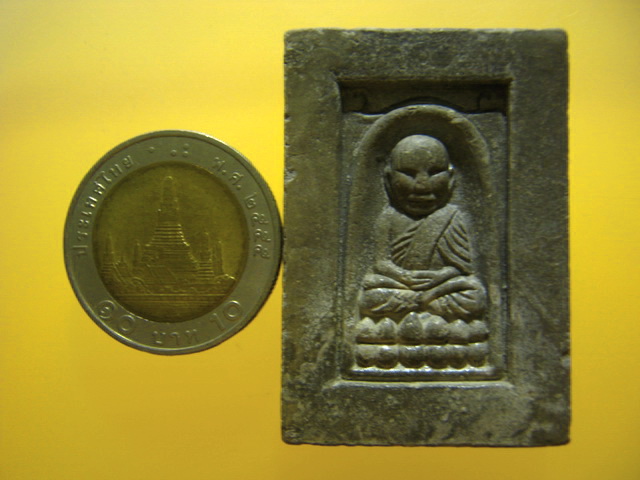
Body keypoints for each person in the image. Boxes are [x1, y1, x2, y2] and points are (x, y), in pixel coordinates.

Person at [359, 134, 486, 323]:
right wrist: (405, 277)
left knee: (473, 293)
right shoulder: (388, 217)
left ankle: (415, 307)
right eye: (408, 174)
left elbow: (460, 267)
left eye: (435, 173)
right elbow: (381, 263)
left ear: (451, 178)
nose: (422, 186)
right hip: (402, 285)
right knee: (371, 290)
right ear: (388, 178)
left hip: (439, 286)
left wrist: (439, 278)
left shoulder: (452, 216)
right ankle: (428, 307)